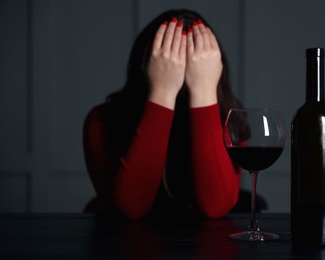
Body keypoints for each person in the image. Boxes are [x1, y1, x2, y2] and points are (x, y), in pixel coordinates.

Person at [83, 9, 247, 219]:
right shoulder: (101, 121)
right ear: (144, 66)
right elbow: (132, 206)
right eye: (168, 64)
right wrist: (162, 91)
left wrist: (204, 91)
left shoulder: (231, 122)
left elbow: (215, 206)